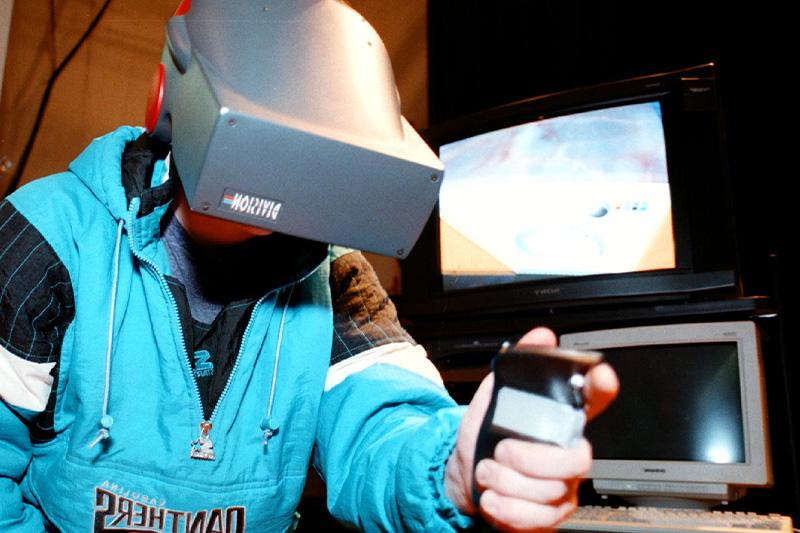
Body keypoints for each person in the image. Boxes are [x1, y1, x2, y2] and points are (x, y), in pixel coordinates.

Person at [0, 1, 618, 532]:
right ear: (168, 99)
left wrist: (453, 471)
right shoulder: (47, 234)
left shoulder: (334, 274)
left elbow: (382, 426)